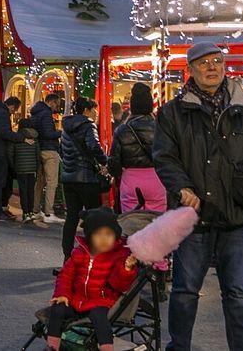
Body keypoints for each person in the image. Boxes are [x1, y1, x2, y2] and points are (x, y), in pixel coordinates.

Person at [153, 42, 243, 351]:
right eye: (203, 62)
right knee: (185, 291)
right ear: (190, 70)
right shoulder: (173, 112)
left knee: (238, 292)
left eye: (217, 60)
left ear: (225, 65)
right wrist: (182, 187)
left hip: (238, 216)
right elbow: (164, 157)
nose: (211, 67)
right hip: (192, 217)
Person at [46, 208, 139, 351]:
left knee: (99, 317)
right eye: (98, 234)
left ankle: (107, 348)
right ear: (89, 236)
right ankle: (52, 347)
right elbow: (65, 275)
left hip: (101, 300)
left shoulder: (119, 255)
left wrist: (126, 268)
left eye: (108, 234)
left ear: (116, 236)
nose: (103, 239)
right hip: (77, 299)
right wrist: (62, 294)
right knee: (57, 309)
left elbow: (119, 285)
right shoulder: (80, 252)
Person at [59, 97, 107, 260]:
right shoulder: (88, 125)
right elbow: (93, 146)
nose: (96, 113)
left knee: (72, 217)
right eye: (94, 109)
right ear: (87, 110)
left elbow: (62, 150)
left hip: (68, 178)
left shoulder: (65, 126)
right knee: (94, 217)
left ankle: (68, 256)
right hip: (86, 178)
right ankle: (94, 255)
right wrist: (104, 161)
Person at [107, 83, 166, 213]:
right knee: (158, 221)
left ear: (132, 106)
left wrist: (118, 174)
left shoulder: (122, 130)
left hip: (131, 181)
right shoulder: (162, 128)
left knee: (131, 220)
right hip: (157, 180)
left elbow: (114, 163)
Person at [31, 93, 64, 225]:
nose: (57, 107)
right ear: (51, 102)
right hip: (49, 150)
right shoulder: (46, 114)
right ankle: (49, 212)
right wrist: (61, 132)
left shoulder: (36, 113)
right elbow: (48, 133)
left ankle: (35, 210)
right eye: (57, 104)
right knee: (52, 182)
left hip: (39, 149)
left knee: (40, 182)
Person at [12, 115, 41, 224]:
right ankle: (31, 212)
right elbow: (37, 155)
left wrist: (14, 165)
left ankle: (25, 213)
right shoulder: (35, 138)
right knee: (31, 190)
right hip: (32, 168)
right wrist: (36, 167)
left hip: (20, 168)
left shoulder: (17, 138)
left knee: (23, 191)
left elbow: (11, 153)